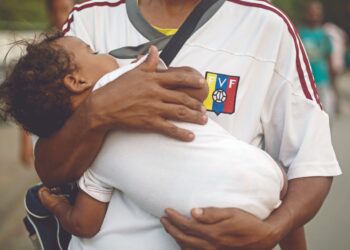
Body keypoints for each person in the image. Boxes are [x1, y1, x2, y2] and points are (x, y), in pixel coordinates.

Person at [32, 0, 341, 249]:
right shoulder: (90, 20)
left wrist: (273, 228)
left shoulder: (267, 26)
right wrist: (98, 111)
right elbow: (49, 166)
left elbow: (311, 164)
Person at [0, 33, 288, 248]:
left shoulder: (88, 159)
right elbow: (197, 86)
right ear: (77, 81)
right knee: (277, 175)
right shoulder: (130, 78)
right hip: (262, 176)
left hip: (208, 220)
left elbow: (85, 223)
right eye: (94, 51)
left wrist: (56, 206)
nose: (107, 55)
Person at [18, 0, 75, 167]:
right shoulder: (42, 50)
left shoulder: (88, 44)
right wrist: (25, 141)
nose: (59, 16)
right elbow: (27, 97)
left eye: (64, 10)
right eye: (54, 11)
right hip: (51, 134)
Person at [299, 1, 336, 120]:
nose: (314, 15)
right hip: (304, 84)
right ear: (306, 14)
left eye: (317, 13)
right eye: (311, 13)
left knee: (326, 117)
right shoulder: (299, 34)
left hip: (323, 82)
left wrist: (334, 86)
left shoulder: (325, 35)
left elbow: (329, 58)